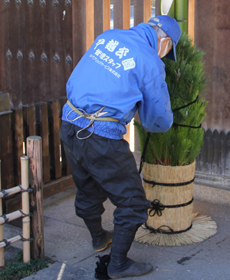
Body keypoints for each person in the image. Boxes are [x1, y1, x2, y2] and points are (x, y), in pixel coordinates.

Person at [59, 15, 181, 279]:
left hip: (69, 124)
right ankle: (118, 264)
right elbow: (157, 119)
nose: (165, 56)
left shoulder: (108, 36)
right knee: (133, 203)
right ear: (166, 42)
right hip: (100, 138)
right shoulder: (150, 62)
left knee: (88, 188)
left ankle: (98, 238)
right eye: (168, 51)